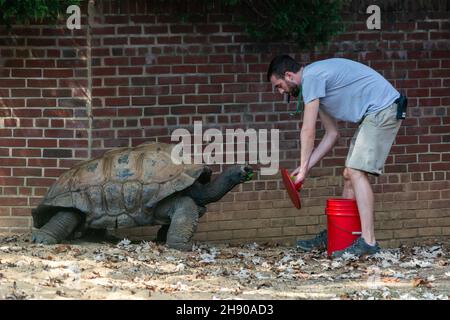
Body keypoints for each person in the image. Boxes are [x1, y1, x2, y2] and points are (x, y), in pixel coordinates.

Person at [267, 55, 404, 258]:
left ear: (289, 76)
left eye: (279, 85)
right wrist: (306, 166)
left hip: (383, 109)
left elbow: (308, 129)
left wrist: (303, 166)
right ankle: (340, 235)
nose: (280, 92)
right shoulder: (316, 87)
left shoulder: (312, 77)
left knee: (356, 171)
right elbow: (332, 134)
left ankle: (369, 242)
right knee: (349, 175)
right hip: (373, 115)